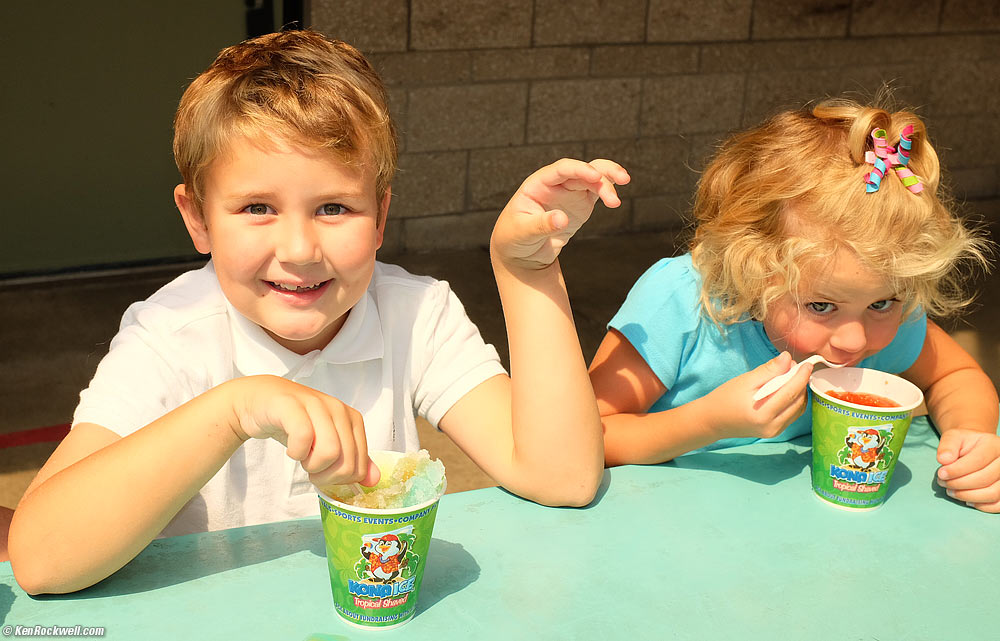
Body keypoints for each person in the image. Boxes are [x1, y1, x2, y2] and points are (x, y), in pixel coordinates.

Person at [8, 29, 628, 594]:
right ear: (196, 217)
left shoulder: (416, 312)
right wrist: (234, 409)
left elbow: (564, 477)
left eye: (334, 208)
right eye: (256, 208)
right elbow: (41, 560)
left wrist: (528, 272)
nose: (300, 251)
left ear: (381, 215)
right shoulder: (169, 336)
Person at [589, 98, 1000, 512]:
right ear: (749, 270)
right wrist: (709, 422)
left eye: (882, 304)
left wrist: (972, 437)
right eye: (821, 306)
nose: (854, 340)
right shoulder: (680, 303)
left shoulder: (886, 307)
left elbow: (956, 375)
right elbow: (587, 435)